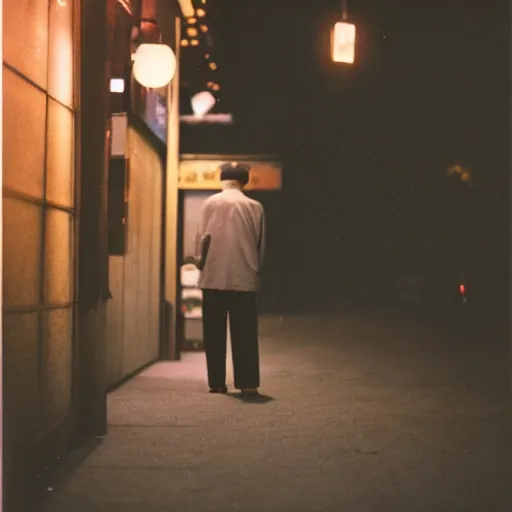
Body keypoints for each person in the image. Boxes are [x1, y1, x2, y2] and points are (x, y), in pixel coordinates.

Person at [197, 162, 266, 396]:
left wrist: (200, 265)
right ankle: (247, 383)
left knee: (213, 333)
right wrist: (256, 271)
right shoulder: (254, 206)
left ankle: (216, 382)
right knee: (245, 333)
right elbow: (260, 244)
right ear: (244, 181)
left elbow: (202, 239)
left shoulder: (209, 204)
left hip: (213, 276)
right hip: (243, 277)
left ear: (222, 180)